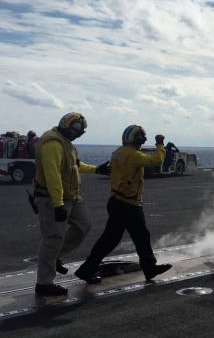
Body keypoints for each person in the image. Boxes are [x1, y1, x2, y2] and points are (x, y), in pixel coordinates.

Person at [75, 125, 172, 284]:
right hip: (129, 204)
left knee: (109, 240)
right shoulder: (134, 155)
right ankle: (149, 268)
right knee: (141, 237)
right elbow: (156, 160)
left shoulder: (117, 152)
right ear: (138, 140)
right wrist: (160, 144)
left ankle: (86, 269)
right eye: (141, 139)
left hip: (115, 202)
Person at [33, 112, 110, 296]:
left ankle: (56, 257)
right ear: (66, 125)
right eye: (76, 130)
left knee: (84, 226)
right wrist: (58, 204)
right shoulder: (53, 144)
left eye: (80, 132)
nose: (77, 134)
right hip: (52, 198)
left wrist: (96, 169)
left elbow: (75, 165)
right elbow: (53, 176)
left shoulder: (67, 143)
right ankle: (44, 283)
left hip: (72, 197)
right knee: (53, 239)